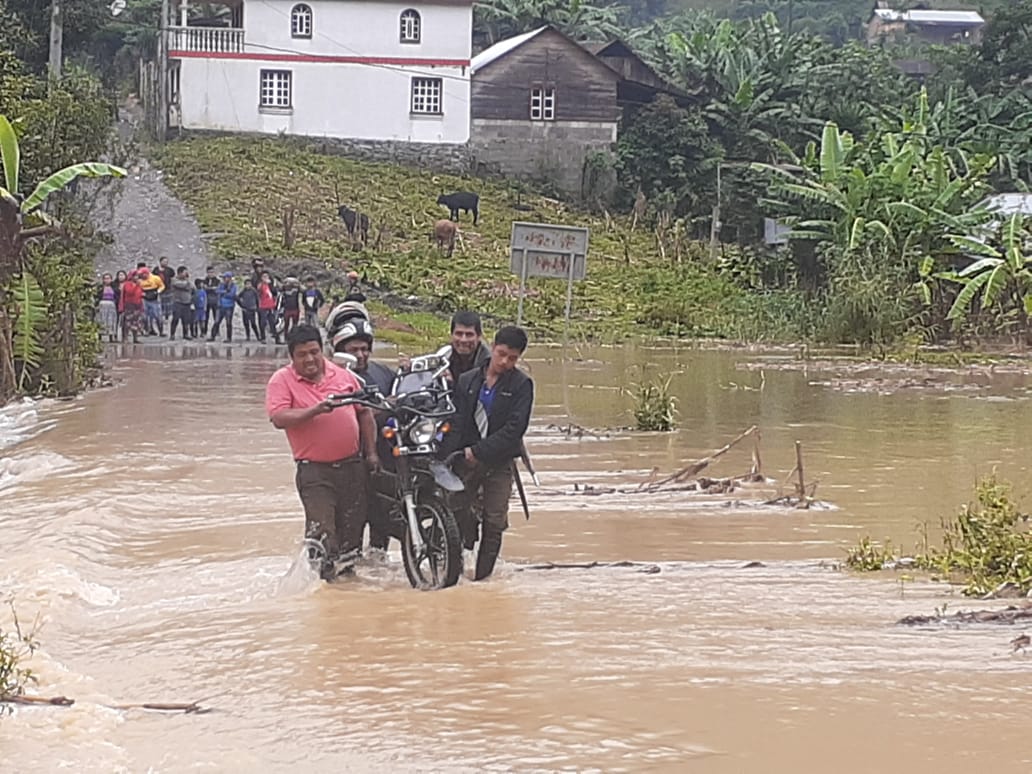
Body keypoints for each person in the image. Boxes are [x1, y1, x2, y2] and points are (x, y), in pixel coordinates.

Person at [265, 325, 380, 580]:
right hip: (314, 472)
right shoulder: (281, 380)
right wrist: (314, 410)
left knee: (352, 535)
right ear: (291, 357)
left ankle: (345, 591)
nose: (309, 359)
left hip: (352, 466)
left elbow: (365, 414)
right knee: (322, 534)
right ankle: (320, 586)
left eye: (314, 352)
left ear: (323, 351)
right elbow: (279, 417)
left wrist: (371, 453)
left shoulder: (343, 376)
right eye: (302, 354)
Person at [446, 325, 533, 581]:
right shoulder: (468, 380)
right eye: (502, 354)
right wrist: (450, 456)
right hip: (466, 461)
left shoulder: (522, 385)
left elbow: (514, 430)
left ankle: (482, 579)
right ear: (492, 347)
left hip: (499, 463)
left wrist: (480, 451)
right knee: (456, 513)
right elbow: (458, 422)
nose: (505, 362)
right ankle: (454, 571)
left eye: (513, 358)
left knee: (494, 522)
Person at [332, 318, 397, 556]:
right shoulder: (332, 378)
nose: (361, 354)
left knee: (383, 519)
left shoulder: (383, 372)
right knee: (351, 522)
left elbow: (401, 396)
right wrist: (383, 408)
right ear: (340, 352)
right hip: (347, 462)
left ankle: (377, 569)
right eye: (354, 350)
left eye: (365, 349)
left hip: (384, 458)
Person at [447, 310, 491, 383]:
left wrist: (452, 384)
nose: (463, 340)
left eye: (469, 335)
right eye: (459, 334)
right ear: (451, 335)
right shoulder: (444, 356)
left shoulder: (488, 362)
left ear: (479, 336)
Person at [209, 271, 238, 342]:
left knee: (228, 322)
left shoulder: (233, 286)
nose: (224, 279)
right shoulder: (221, 285)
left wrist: (223, 293)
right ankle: (212, 336)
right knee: (216, 321)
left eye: (226, 277)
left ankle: (229, 338)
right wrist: (225, 292)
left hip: (229, 306)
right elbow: (217, 291)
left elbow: (232, 295)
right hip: (220, 306)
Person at [168, 266, 194, 340]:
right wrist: (187, 283)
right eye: (185, 272)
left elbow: (192, 288)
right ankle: (172, 334)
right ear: (179, 273)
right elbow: (182, 285)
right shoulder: (174, 280)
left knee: (186, 320)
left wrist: (187, 282)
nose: (186, 274)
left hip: (187, 303)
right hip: (178, 302)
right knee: (175, 319)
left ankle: (185, 334)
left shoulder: (187, 281)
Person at [138, 267, 165, 336]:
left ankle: (161, 331)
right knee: (144, 316)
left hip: (154, 298)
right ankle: (146, 330)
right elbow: (137, 288)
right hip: (144, 298)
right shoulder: (139, 280)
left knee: (158, 315)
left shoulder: (155, 278)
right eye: (140, 275)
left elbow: (162, 286)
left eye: (142, 275)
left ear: (146, 273)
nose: (141, 276)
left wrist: (158, 291)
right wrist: (141, 293)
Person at [120, 271, 146, 344]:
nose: (136, 278)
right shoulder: (127, 284)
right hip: (129, 305)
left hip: (137, 306)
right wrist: (136, 286)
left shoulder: (139, 285)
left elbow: (140, 295)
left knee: (136, 322)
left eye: (137, 276)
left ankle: (135, 338)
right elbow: (130, 292)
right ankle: (125, 338)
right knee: (127, 323)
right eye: (135, 276)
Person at [95, 273, 119, 343]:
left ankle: (111, 336)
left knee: (111, 320)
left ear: (111, 279)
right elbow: (97, 296)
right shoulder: (100, 288)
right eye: (105, 278)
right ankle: (100, 336)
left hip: (111, 305)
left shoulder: (115, 288)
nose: (107, 280)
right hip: (102, 304)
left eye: (108, 278)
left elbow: (117, 297)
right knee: (101, 320)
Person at [257, 271, 279, 344]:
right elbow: (259, 290)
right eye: (264, 277)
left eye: (267, 276)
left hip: (270, 306)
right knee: (263, 322)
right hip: (263, 306)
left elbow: (275, 292)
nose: (266, 278)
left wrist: (272, 285)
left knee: (272, 322)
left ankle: (277, 338)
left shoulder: (270, 285)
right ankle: (263, 338)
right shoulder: (261, 285)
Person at [153, 256, 176, 321]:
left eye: (166, 262)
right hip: (159, 289)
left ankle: (168, 316)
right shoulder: (156, 270)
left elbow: (173, 278)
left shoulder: (170, 270)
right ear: (160, 262)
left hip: (168, 289)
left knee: (168, 303)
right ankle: (161, 315)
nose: (165, 263)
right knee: (160, 302)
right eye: (164, 261)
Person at [202, 266, 221, 332]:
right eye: (209, 272)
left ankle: (216, 330)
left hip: (215, 300)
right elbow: (204, 288)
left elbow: (217, 289)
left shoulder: (217, 281)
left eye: (212, 272)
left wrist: (209, 288)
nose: (211, 274)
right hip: (206, 301)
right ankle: (204, 330)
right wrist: (211, 288)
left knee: (215, 316)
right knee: (205, 317)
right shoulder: (204, 281)